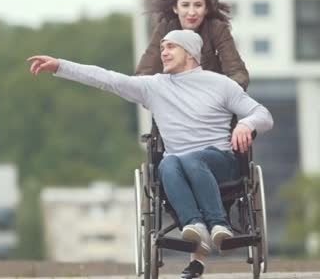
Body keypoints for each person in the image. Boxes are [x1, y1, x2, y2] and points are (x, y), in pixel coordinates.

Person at [27, 29, 273, 279]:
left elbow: (263, 115)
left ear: (189, 52)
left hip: (219, 161)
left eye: (170, 47)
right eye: (162, 47)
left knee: (184, 159)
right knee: (167, 164)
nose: (163, 53)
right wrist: (60, 66)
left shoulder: (220, 84)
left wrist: (245, 124)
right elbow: (108, 79)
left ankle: (219, 223)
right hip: (178, 166)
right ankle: (196, 226)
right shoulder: (153, 87)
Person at [136, 0, 249, 91]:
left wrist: (222, 96)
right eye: (185, 5)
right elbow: (145, 73)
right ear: (175, 8)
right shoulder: (165, 29)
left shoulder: (217, 29)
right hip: (176, 100)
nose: (192, 12)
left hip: (212, 99)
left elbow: (237, 73)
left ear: (206, 9)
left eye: (198, 5)